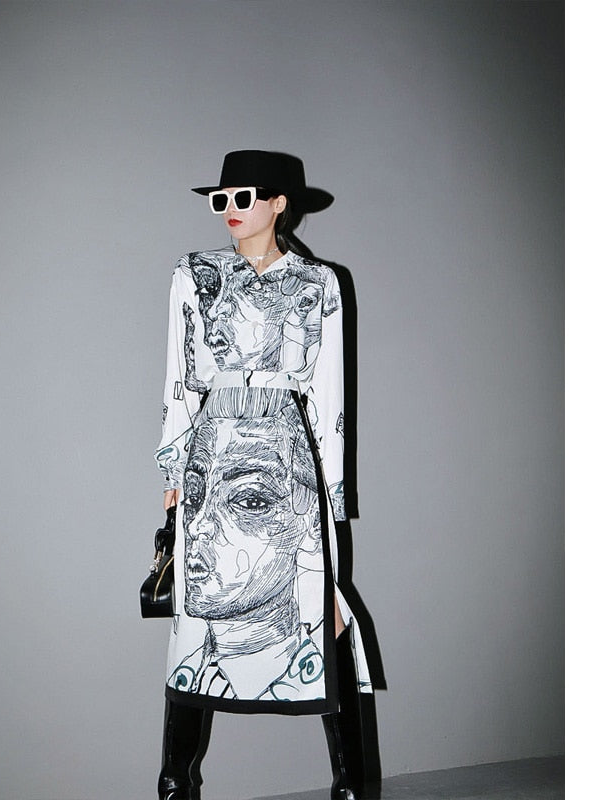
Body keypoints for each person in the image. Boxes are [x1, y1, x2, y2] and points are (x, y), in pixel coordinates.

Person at [154, 150, 372, 800]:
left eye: (243, 197)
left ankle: (351, 785)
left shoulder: (318, 283)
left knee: (321, 614)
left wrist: (332, 498)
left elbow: (329, 399)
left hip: (288, 460)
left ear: (279, 204)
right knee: (196, 622)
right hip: (211, 460)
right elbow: (179, 381)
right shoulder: (193, 274)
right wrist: (172, 469)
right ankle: (174, 783)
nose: (230, 210)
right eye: (220, 199)